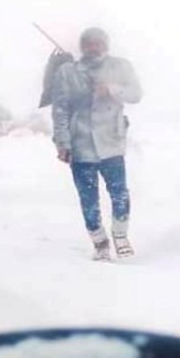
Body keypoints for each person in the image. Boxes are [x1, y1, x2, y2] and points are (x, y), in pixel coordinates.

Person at [50, 27, 142, 261]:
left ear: (106, 44)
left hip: (111, 141)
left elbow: (136, 94)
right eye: (88, 43)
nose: (93, 47)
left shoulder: (120, 66)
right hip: (80, 145)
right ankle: (99, 241)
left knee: (120, 193)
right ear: (82, 47)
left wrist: (111, 89)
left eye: (98, 43)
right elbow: (60, 109)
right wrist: (63, 142)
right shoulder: (68, 71)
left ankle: (121, 236)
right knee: (88, 198)